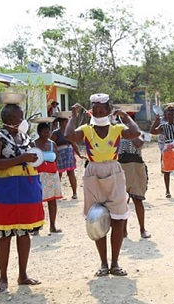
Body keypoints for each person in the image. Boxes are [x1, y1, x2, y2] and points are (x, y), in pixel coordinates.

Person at [65, 93, 141, 277]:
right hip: (93, 173)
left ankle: (115, 263)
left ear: (108, 110)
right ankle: (103, 264)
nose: (98, 114)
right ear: (90, 111)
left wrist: (125, 116)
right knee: (96, 219)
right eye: (95, 111)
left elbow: (136, 133)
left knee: (118, 219)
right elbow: (69, 135)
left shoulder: (117, 129)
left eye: (102, 110)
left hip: (114, 172)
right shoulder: (86, 129)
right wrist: (73, 117)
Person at [0, 103, 45, 293]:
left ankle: (23, 275)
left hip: (26, 191)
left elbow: (32, 156)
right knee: (4, 234)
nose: (21, 121)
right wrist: (20, 159)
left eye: (21, 117)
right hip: (5, 190)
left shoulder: (25, 136)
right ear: (9, 119)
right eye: (18, 118)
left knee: (23, 232)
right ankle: (3, 278)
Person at [117, 113, 151, 239]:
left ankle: (142, 229)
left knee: (138, 200)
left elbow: (138, 144)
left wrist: (131, 132)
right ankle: (123, 230)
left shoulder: (138, 133)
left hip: (136, 168)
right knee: (123, 201)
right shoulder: (117, 133)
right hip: (121, 168)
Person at [35, 122, 63, 234]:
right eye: (44, 131)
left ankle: (52, 226)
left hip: (52, 175)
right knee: (37, 201)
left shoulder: (53, 144)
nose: (46, 134)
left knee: (52, 201)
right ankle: (37, 226)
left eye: (48, 131)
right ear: (39, 132)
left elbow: (56, 159)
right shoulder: (33, 145)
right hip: (38, 175)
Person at [150, 106, 174, 198]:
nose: (170, 116)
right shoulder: (163, 126)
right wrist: (156, 121)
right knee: (166, 171)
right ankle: (167, 190)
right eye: (168, 114)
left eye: (172, 114)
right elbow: (152, 131)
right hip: (167, 149)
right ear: (165, 115)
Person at [51, 113, 83, 199]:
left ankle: (75, 193)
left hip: (68, 154)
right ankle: (57, 193)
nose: (65, 123)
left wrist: (79, 154)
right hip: (59, 155)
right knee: (59, 174)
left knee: (71, 173)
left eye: (66, 121)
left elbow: (73, 143)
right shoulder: (56, 133)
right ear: (60, 123)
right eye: (64, 122)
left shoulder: (69, 132)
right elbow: (51, 145)